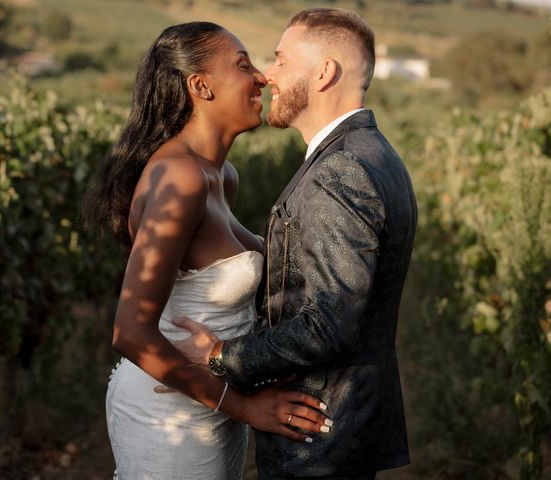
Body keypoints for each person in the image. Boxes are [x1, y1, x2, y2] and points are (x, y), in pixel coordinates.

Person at [171, 8, 417, 480]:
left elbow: (328, 322)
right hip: (343, 427)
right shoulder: (377, 154)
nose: (268, 75)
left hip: (317, 434)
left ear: (324, 73)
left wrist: (224, 356)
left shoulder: (339, 171)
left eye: (282, 60)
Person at [82, 22, 331, 480]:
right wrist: (246, 408)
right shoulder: (181, 178)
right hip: (170, 414)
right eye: (242, 65)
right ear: (200, 85)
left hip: (212, 406)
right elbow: (131, 332)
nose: (260, 77)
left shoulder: (221, 175)